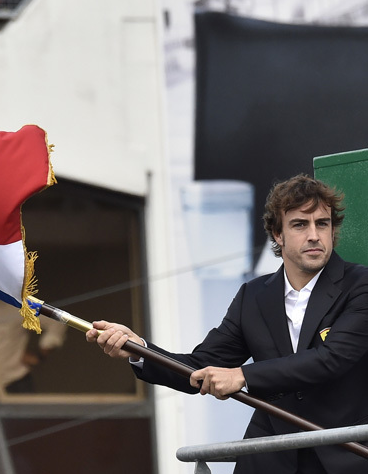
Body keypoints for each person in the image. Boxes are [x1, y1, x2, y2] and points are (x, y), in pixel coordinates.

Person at [86, 174, 368, 474]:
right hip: (269, 462)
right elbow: (201, 366)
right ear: (277, 234)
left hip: (346, 458)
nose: (314, 235)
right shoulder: (254, 295)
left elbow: (331, 360)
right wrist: (139, 349)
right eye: (300, 224)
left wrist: (243, 375)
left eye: (322, 223)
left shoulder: (360, 284)